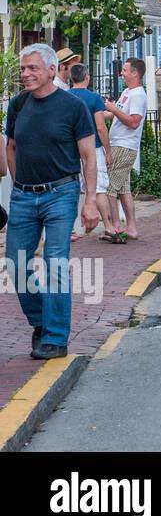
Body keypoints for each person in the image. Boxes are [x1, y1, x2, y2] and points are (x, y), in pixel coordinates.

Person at [5, 43, 99, 359]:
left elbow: (88, 156)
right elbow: (12, 147)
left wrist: (90, 201)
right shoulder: (17, 105)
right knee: (16, 264)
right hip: (23, 195)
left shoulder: (73, 107)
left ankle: (56, 338)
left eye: (32, 68)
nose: (25, 74)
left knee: (55, 262)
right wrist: (19, 185)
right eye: (23, 69)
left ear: (49, 70)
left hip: (61, 193)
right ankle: (40, 322)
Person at [102, 57, 148, 242]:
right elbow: (113, 114)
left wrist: (113, 109)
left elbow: (134, 122)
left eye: (125, 70)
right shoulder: (128, 92)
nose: (122, 73)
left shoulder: (137, 94)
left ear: (135, 73)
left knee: (110, 188)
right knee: (123, 189)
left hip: (123, 145)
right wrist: (101, 112)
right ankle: (131, 228)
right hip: (120, 143)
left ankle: (115, 227)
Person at [68, 63, 111, 241]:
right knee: (99, 188)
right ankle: (108, 227)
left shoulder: (65, 96)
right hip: (93, 146)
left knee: (72, 188)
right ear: (87, 77)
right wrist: (108, 151)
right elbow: (100, 127)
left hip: (70, 149)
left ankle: (71, 229)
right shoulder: (94, 98)